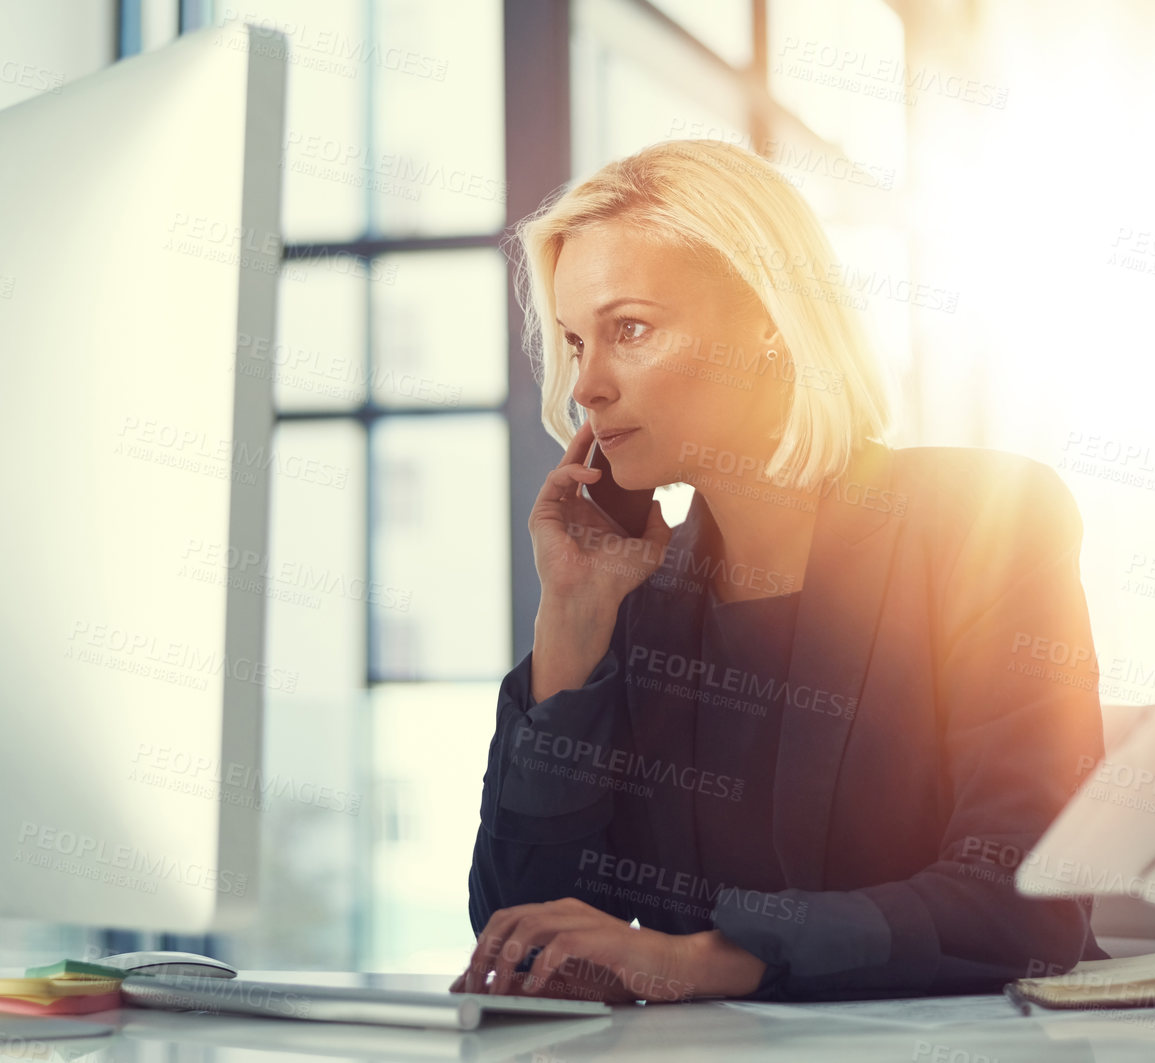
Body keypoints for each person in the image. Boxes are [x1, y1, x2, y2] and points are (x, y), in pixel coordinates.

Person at [453, 139, 1107, 1003]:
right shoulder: (641, 598)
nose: (589, 386)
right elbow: (524, 930)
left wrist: (703, 961)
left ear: (769, 316)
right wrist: (570, 623)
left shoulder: (986, 520)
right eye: (577, 342)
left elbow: (1026, 905)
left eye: (632, 329)